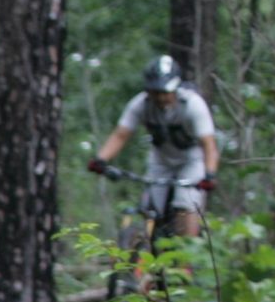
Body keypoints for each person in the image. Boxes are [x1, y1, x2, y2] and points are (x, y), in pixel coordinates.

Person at [87, 54, 221, 240]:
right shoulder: (140, 104)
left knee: (186, 204)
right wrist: (100, 160)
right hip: (161, 158)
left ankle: (187, 261)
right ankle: (141, 250)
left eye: (165, 92)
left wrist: (210, 174)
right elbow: (121, 134)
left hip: (191, 159)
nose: (160, 97)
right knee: (150, 207)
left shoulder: (192, 105)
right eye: (155, 92)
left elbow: (208, 144)